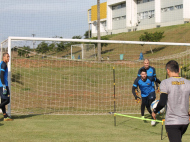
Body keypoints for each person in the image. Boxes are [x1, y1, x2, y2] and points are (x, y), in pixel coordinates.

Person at [152, 60, 190, 142]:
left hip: (172, 122)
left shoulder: (165, 83)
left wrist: (154, 111)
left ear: (167, 71)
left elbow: (162, 103)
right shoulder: (188, 83)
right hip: (185, 122)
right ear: (179, 70)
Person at [0, 53, 13, 121]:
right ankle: (5, 116)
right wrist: (4, 85)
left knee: (3, 100)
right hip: (3, 85)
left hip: (1, 85)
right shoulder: (4, 64)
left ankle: (5, 116)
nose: (8, 58)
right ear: (4, 57)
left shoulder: (2, 63)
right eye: (7, 57)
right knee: (7, 100)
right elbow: (1, 75)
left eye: (9, 57)